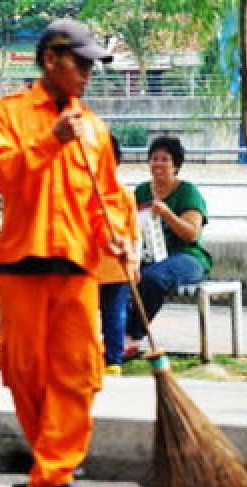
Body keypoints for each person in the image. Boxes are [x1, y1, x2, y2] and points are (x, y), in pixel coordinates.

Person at [0, 18, 134, 487]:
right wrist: (51, 140)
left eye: (92, 65)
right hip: (20, 263)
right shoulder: (8, 115)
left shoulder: (95, 129)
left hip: (76, 266)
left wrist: (120, 235)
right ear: (51, 60)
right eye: (81, 63)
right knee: (22, 370)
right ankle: (49, 461)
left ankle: (52, 472)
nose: (88, 74)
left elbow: (108, 196)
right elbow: (1, 176)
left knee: (78, 371)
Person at [125, 136, 212, 356]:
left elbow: (192, 234)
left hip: (185, 256)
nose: (158, 164)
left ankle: (132, 336)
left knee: (153, 278)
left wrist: (167, 214)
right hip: (148, 256)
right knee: (119, 278)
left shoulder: (187, 192)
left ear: (176, 165)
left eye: (165, 159)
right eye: (154, 158)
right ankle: (116, 334)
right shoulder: (141, 192)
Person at [95, 135, 138, 375]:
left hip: (117, 266)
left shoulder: (124, 194)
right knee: (85, 317)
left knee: (115, 315)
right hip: (88, 266)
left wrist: (134, 262)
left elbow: (133, 232)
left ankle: (113, 360)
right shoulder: (81, 192)